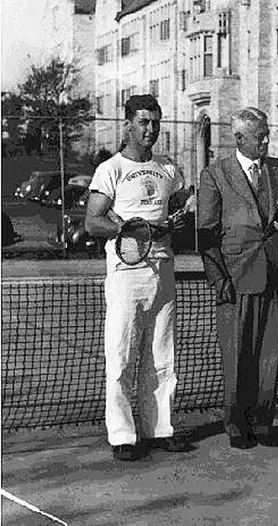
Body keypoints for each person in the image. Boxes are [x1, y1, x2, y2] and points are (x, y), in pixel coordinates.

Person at [85, 94, 194, 461]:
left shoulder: (168, 169)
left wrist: (184, 214)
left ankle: (159, 429)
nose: (151, 130)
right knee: (121, 356)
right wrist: (129, 229)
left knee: (163, 357)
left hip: (164, 270)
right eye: (144, 122)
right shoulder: (110, 169)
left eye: (156, 122)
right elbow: (93, 221)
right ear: (128, 124)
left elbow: (181, 208)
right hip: (126, 274)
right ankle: (122, 436)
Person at [196, 107, 278, 450]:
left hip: (275, 271)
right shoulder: (214, 174)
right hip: (234, 277)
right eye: (260, 136)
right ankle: (237, 424)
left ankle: (263, 423)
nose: (267, 140)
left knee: (270, 351)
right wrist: (217, 277)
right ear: (239, 138)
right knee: (236, 353)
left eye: (267, 134)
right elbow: (205, 233)